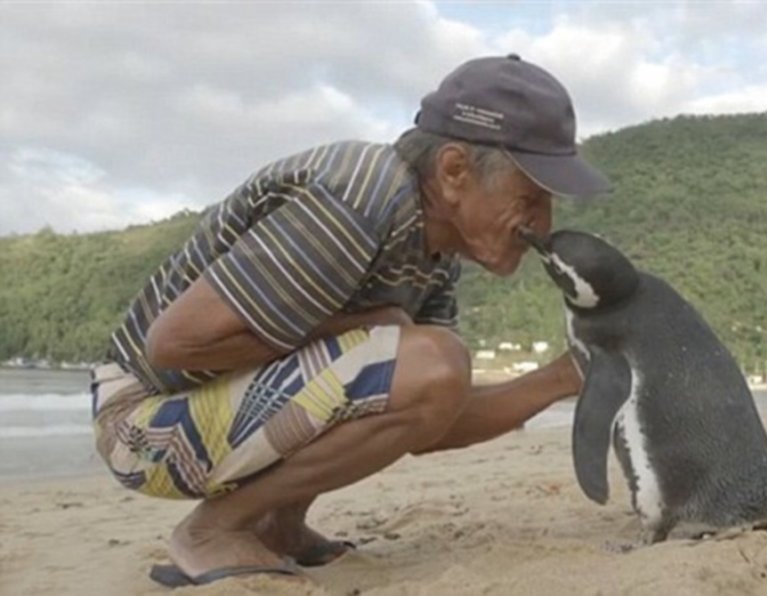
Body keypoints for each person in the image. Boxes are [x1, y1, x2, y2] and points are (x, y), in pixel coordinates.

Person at [90, 54, 611, 585]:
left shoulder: (432, 254)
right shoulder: (359, 195)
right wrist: (364, 327)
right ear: (454, 171)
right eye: (530, 197)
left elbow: (430, 416)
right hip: (140, 421)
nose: (543, 225)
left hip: (200, 411)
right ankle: (212, 530)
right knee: (424, 354)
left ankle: (278, 524)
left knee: (427, 360)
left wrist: (564, 376)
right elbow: (173, 346)